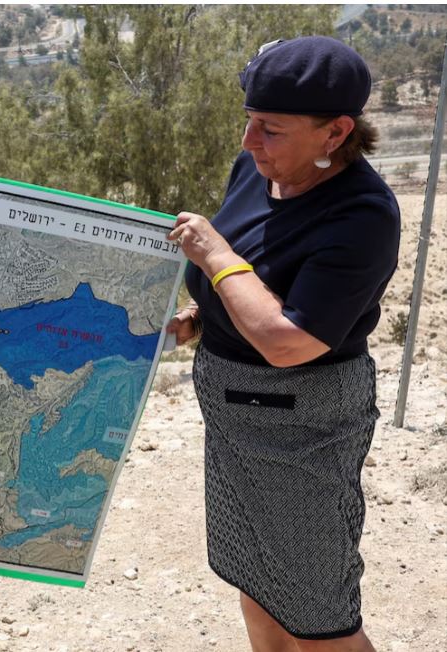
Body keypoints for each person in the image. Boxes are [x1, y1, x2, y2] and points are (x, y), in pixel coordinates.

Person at [165, 37, 399, 651]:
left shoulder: (362, 215)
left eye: (270, 129)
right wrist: (205, 311)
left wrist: (213, 254)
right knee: (261, 585)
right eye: (249, 123)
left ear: (335, 132)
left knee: (320, 615)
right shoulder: (258, 169)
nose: (249, 144)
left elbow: (289, 342)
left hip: (303, 432)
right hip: (234, 423)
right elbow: (253, 278)